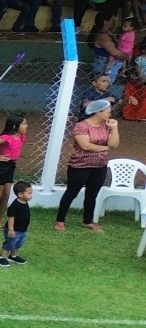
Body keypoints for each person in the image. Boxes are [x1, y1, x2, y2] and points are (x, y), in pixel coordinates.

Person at [56, 98, 118, 231]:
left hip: (100, 166)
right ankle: (60, 220)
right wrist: (105, 148)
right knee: (72, 192)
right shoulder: (82, 126)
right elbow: (85, 146)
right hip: (80, 165)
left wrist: (114, 128)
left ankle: (88, 221)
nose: (110, 114)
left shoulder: (107, 125)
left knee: (92, 194)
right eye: (108, 112)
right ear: (98, 112)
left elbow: (114, 144)